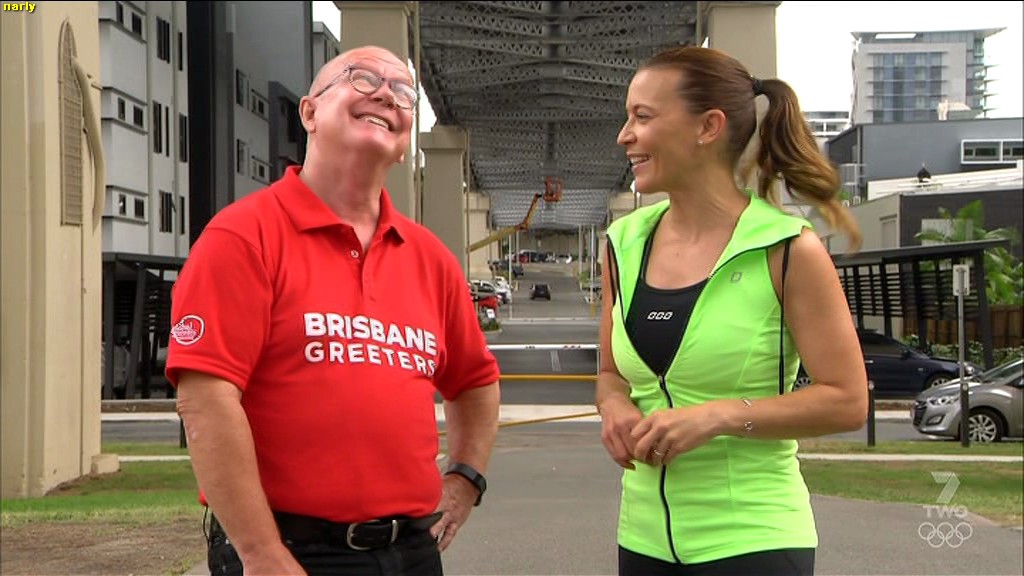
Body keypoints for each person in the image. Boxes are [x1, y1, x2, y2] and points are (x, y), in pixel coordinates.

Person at [166, 45, 501, 576]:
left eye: (403, 91)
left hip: (411, 553)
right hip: (289, 552)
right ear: (309, 112)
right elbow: (206, 398)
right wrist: (261, 553)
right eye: (362, 78)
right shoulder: (243, 237)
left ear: (405, 143)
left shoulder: (430, 259)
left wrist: (465, 478)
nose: (386, 95)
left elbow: (475, 381)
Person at [596, 45, 868, 576]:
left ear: (708, 127)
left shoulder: (788, 249)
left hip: (754, 540)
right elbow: (610, 374)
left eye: (642, 117)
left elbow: (848, 401)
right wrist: (614, 408)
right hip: (642, 540)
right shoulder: (621, 245)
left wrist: (718, 416)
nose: (624, 135)